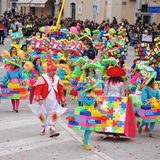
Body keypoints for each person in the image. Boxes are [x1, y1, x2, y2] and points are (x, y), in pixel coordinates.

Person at [34, 57, 67, 137]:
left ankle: (52, 130)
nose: (53, 72)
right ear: (48, 70)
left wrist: (62, 99)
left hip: (54, 100)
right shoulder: (42, 78)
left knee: (53, 113)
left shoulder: (57, 79)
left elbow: (60, 90)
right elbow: (38, 90)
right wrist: (39, 98)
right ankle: (43, 127)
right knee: (43, 113)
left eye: (54, 70)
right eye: (52, 70)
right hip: (44, 100)